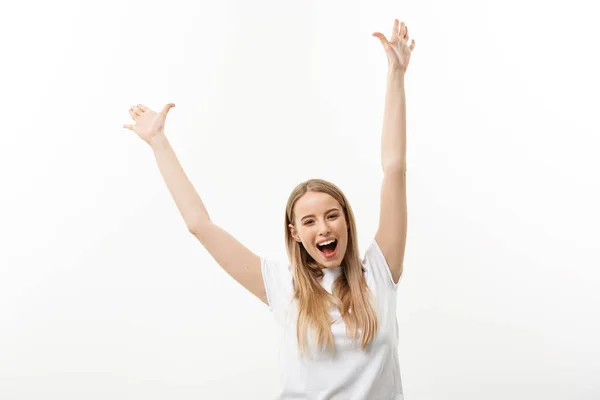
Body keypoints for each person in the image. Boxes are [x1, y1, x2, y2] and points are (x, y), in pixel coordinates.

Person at [123, 18, 415, 400]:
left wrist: (396, 73)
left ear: (346, 220)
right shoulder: (284, 286)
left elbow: (394, 169)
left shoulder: (379, 272)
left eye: (331, 215)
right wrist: (159, 142)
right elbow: (200, 225)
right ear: (295, 233)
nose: (323, 228)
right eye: (309, 221)